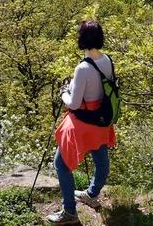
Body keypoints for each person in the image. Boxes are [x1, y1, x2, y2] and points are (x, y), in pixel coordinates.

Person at [46, 20, 117, 225]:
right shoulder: (107, 61)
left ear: (82, 39)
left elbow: (74, 103)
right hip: (101, 120)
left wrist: (63, 93)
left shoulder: (82, 68)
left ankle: (69, 212)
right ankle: (92, 194)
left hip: (82, 124)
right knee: (101, 159)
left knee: (61, 164)